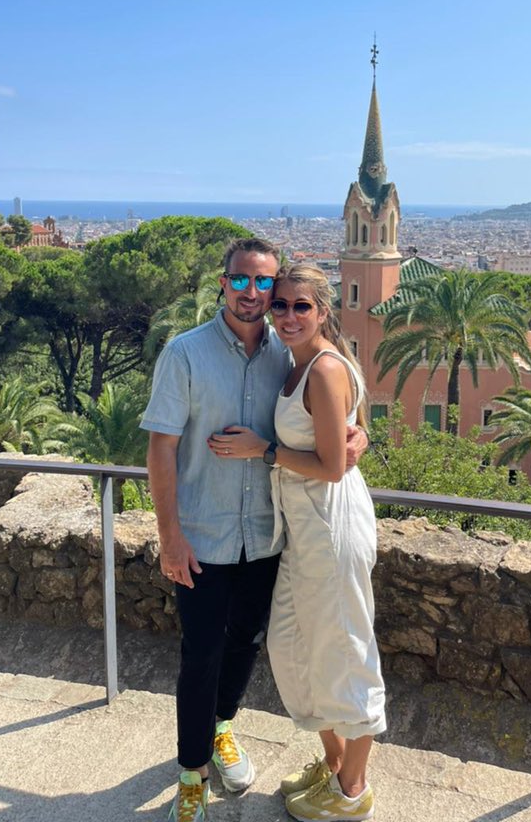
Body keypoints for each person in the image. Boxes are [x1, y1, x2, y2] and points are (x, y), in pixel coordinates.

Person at [141, 238, 367, 822]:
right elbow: (160, 449)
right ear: (224, 283)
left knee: (243, 644)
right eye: (241, 280)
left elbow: (341, 401)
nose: (253, 293)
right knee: (201, 653)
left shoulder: (289, 354)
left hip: (269, 536)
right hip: (203, 534)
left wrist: (358, 436)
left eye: (264, 284)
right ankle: (192, 772)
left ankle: (221, 730)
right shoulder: (185, 353)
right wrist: (169, 536)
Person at [209, 263, 385, 822]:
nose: (286, 315)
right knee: (291, 647)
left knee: (345, 650)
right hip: (302, 531)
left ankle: (353, 789)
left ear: (323, 310)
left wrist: (262, 451)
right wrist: (357, 434)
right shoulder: (298, 362)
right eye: (279, 304)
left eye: (299, 306)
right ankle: (333, 763)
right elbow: (349, 432)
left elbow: (333, 467)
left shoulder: (323, 369)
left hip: (330, 526)